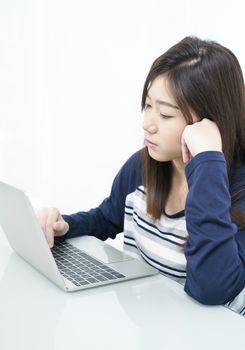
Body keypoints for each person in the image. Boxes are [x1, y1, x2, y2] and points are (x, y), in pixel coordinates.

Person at [37, 36, 245, 315]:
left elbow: (211, 288)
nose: (147, 124)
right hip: (151, 329)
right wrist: (65, 225)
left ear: (209, 123)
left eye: (166, 115)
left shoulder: (236, 192)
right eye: (148, 106)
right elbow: (106, 218)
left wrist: (207, 162)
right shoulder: (143, 165)